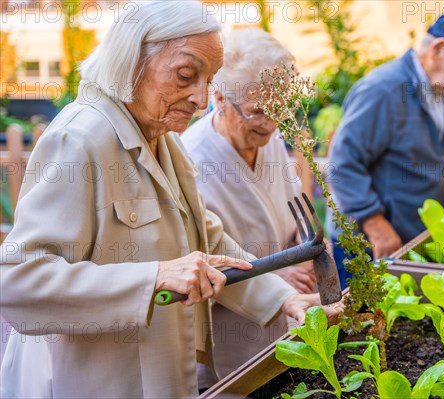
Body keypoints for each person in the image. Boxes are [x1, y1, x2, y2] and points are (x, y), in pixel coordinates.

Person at [0, 3, 339, 398]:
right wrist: (154, 277)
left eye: (208, 80)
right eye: (184, 75)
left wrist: (287, 300)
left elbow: (208, 243)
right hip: (92, 382)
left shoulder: (167, 140)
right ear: (132, 61)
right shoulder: (79, 139)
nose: (200, 99)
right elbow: (17, 282)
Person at [327, 13, 444, 285]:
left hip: (409, 239)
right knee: (362, 324)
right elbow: (343, 163)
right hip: (368, 244)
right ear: (437, 48)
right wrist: (375, 224)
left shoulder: (441, 96)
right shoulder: (384, 89)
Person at [181, 28, 317, 379]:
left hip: (285, 333)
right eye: (257, 111)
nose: (271, 125)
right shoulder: (191, 163)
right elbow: (193, 270)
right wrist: (274, 276)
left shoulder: (266, 139)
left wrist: (305, 250)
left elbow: (291, 210)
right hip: (230, 352)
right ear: (221, 98)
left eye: (280, 108)